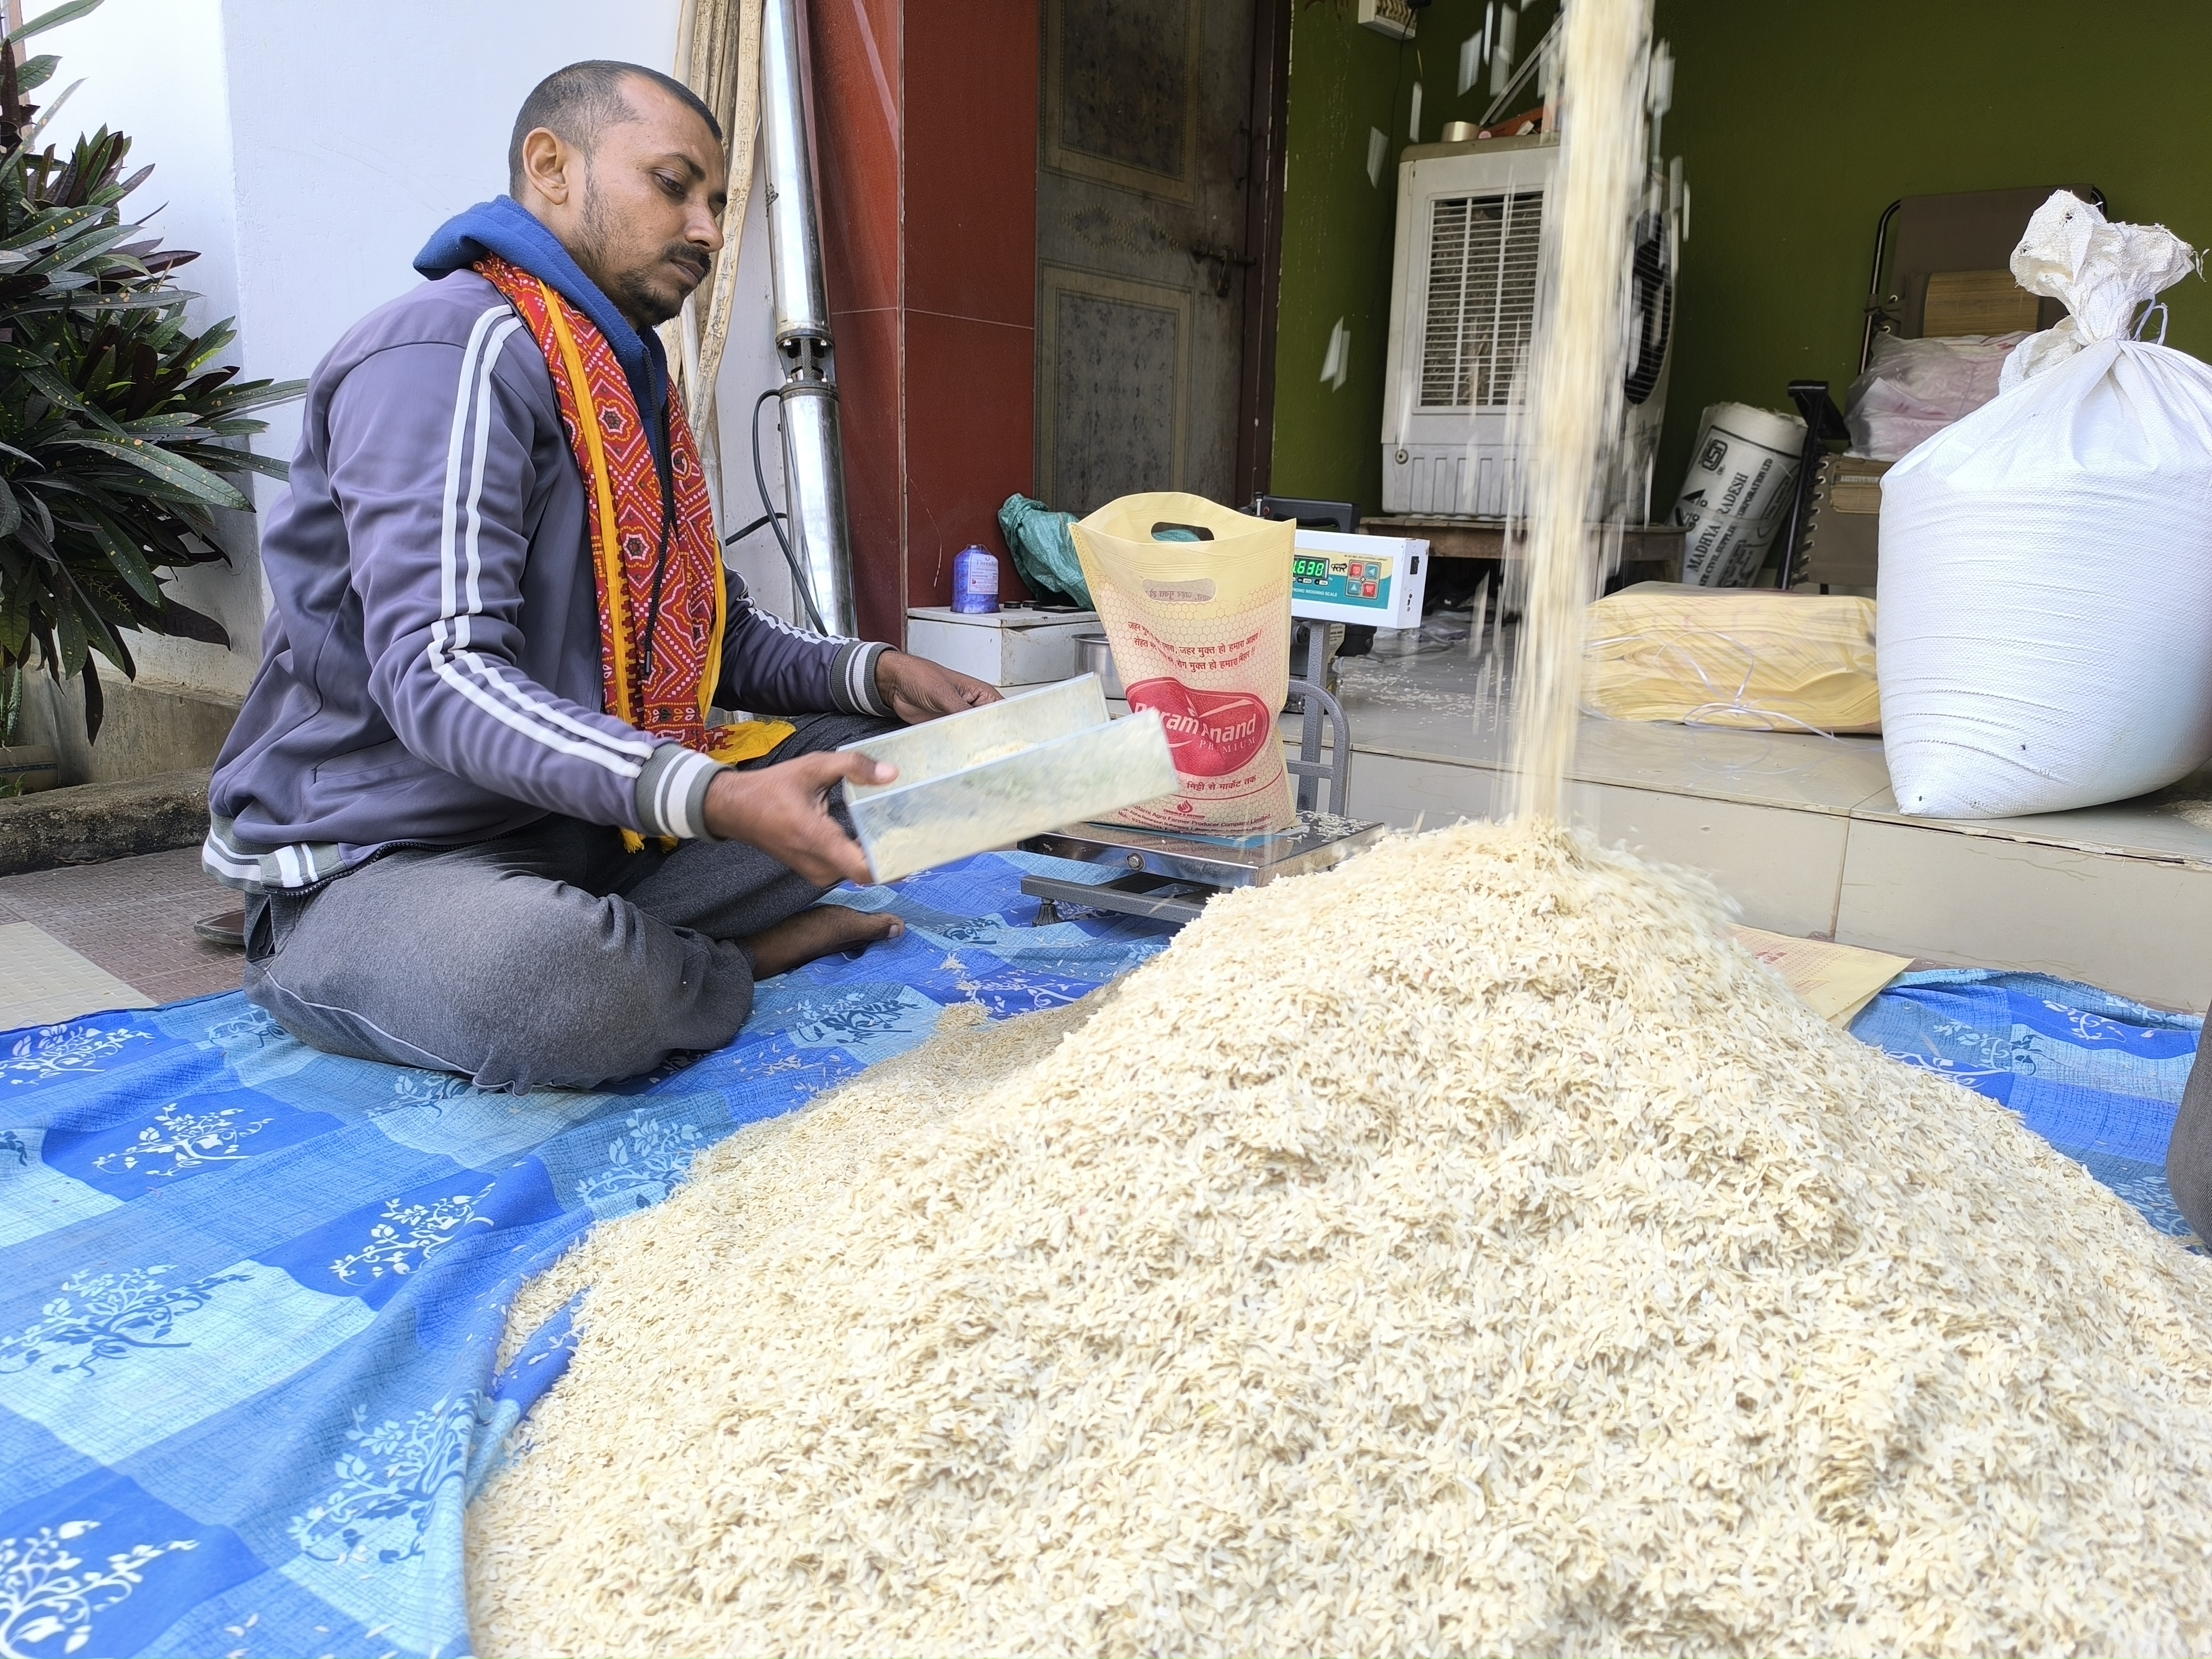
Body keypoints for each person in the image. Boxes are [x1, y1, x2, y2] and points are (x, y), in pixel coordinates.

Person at [203, 60, 998, 1092]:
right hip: (388, 855)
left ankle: (636, 947)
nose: (710, 228)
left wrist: (879, 676)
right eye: (675, 185)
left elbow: (712, 637)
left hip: (583, 829)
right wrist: (708, 796)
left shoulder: (627, 380)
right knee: (546, 982)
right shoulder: (449, 354)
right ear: (552, 168)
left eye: (716, 201)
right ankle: (710, 965)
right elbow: (439, 672)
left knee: (905, 767)